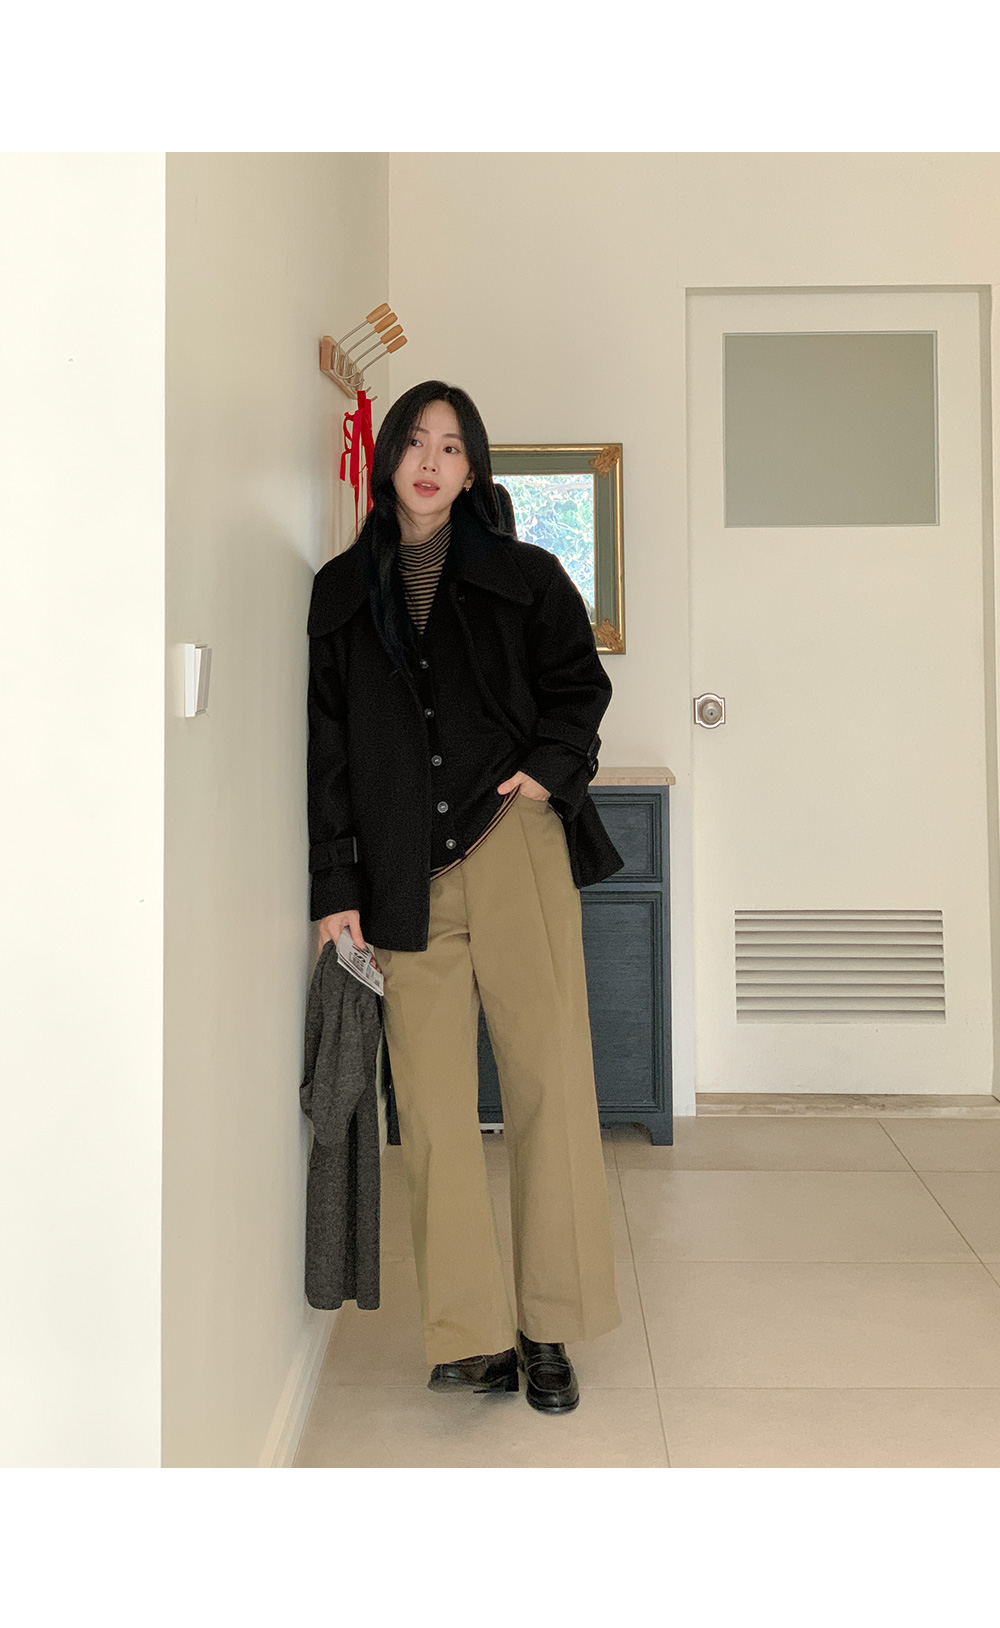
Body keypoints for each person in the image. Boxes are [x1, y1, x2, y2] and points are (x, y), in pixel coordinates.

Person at [306, 380, 623, 1414]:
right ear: (388, 458)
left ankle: (548, 1323)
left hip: (516, 848)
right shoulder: (340, 593)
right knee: (434, 1107)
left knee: (547, 1083)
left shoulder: (525, 575)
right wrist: (336, 885)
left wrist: (544, 771)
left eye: (451, 445)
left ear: (473, 467)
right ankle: (472, 1331)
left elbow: (579, 687)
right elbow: (329, 753)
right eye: (415, 441)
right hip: (403, 874)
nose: (431, 461)